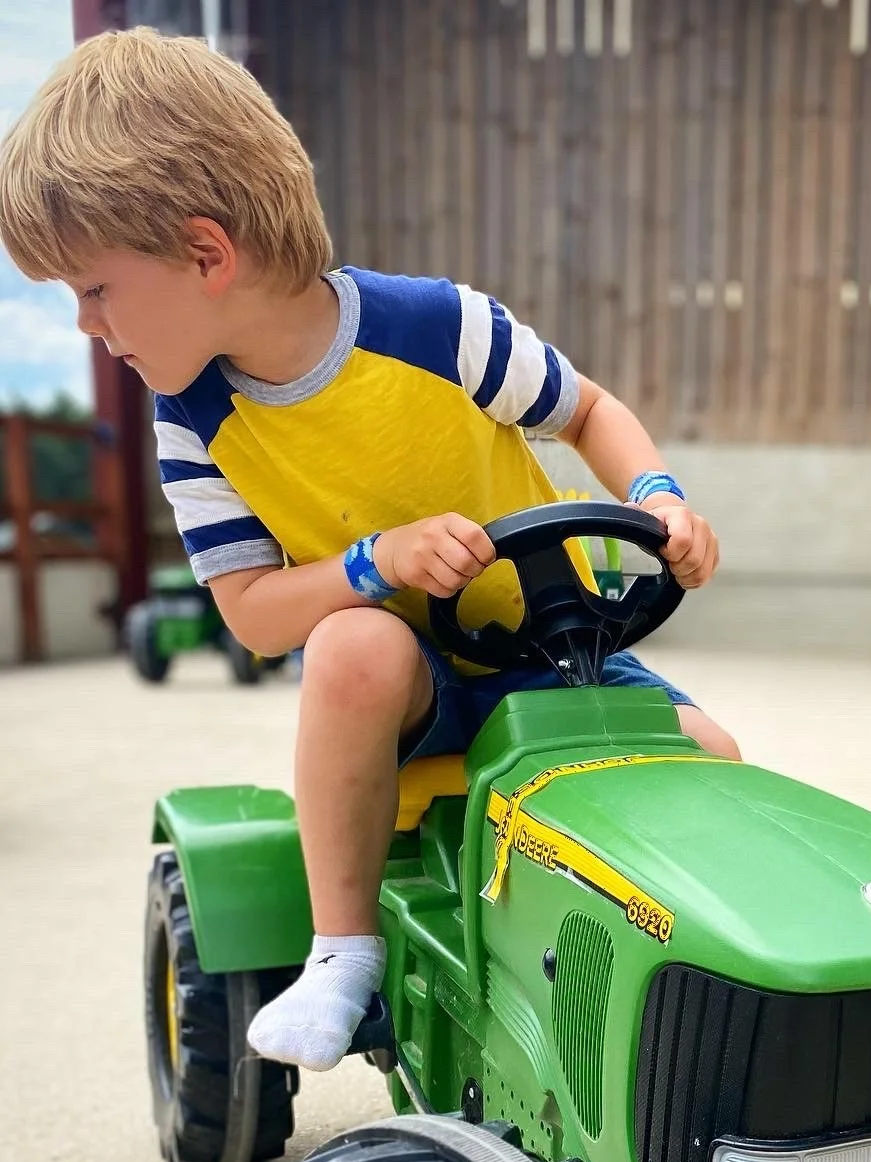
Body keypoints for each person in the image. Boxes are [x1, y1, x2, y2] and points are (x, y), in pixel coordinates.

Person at [0, 27, 738, 1072]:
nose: (84, 325)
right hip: (411, 681)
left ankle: (676, 1001)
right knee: (354, 646)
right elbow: (252, 612)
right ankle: (344, 953)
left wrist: (659, 497)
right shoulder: (193, 420)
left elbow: (587, 413)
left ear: (208, 254)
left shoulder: (441, 331)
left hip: (558, 646)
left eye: (94, 289)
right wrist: (372, 565)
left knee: (716, 760)